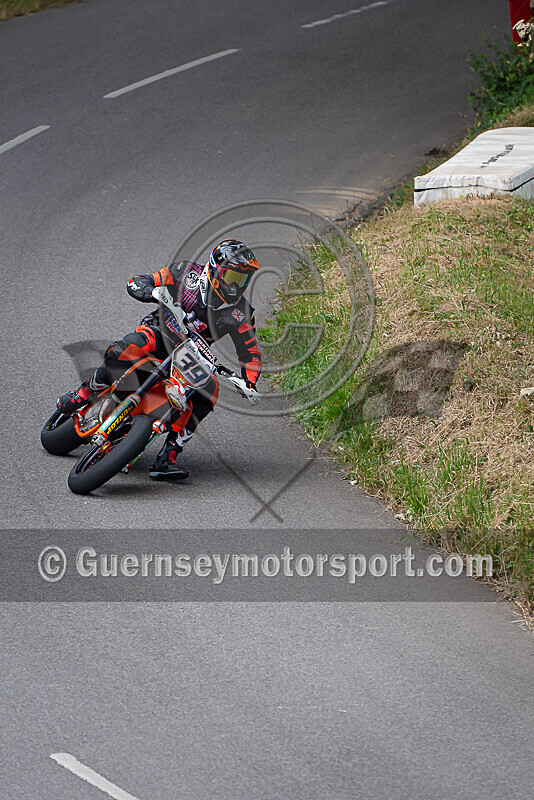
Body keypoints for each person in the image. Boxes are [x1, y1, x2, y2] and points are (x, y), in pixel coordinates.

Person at [57, 239, 262, 480]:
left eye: (244, 280)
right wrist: (149, 291)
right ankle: (83, 394)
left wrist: (249, 382)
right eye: (233, 277)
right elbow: (140, 281)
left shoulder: (242, 313)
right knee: (127, 347)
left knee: (209, 392)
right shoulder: (185, 272)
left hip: (192, 354)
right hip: (161, 331)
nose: (237, 285)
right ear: (215, 269)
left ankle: (168, 456)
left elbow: (250, 353)